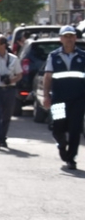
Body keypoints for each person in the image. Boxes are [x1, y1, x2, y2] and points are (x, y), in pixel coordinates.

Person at [42, 26, 85, 171]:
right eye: (66, 36)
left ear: (75, 38)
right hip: (59, 99)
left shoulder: (83, 56)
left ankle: (71, 158)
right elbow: (48, 77)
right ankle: (61, 145)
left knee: (75, 129)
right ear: (61, 39)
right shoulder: (54, 56)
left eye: (71, 36)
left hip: (78, 100)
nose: (69, 39)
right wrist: (46, 95)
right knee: (57, 127)